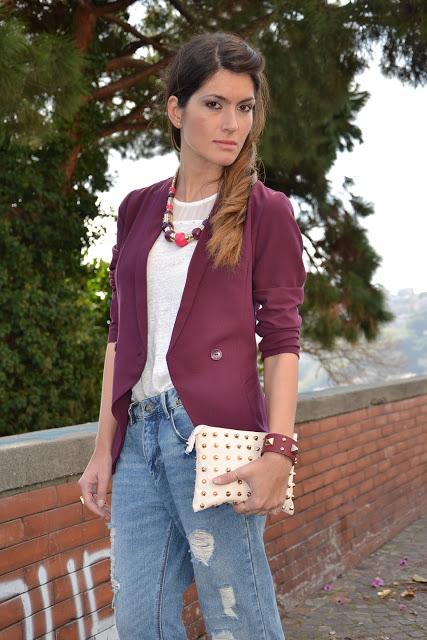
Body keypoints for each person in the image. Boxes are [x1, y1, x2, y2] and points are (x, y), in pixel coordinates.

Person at [78, 30, 306, 640]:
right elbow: (119, 337)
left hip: (216, 441)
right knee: (139, 620)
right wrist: (104, 447)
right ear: (176, 111)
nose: (232, 122)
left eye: (244, 107)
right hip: (138, 443)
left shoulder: (267, 211)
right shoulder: (136, 208)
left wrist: (278, 452)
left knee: (237, 619)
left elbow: (282, 339)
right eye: (213, 104)